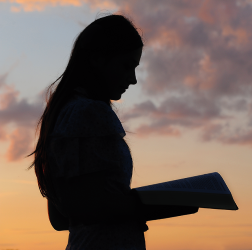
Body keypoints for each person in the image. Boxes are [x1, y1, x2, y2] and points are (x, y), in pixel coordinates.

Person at [26, 13, 198, 250]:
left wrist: (128, 214)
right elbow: (93, 208)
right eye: (126, 66)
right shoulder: (91, 113)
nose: (133, 79)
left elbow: (62, 217)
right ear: (98, 58)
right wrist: (170, 204)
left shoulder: (62, 115)